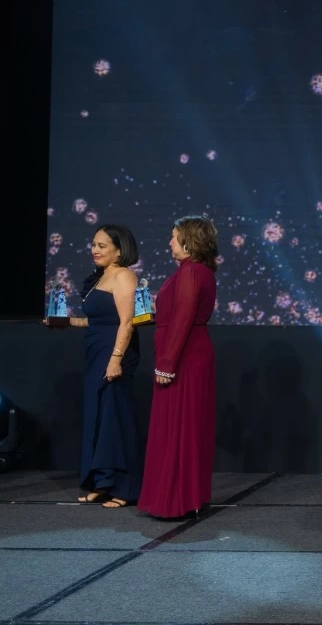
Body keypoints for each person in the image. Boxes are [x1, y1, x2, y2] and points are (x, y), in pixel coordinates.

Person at [140, 215, 219, 519]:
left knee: (179, 426)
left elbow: (183, 318)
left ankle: (176, 499)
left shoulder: (191, 272)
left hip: (184, 358)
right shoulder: (199, 272)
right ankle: (189, 496)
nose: (169, 242)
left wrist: (166, 364)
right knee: (186, 426)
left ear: (188, 241)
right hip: (190, 354)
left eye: (173, 237)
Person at [64, 224, 144, 508]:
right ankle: (101, 482)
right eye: (93, 244)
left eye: (102, 245)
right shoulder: (102, 277)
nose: (95, 250)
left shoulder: (123, 275)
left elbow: (127, 322)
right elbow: (98, 320)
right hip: (97, 352)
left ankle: (124, 487)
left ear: (119, 250)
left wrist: (116, 359)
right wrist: (66, 322)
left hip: (115, 354)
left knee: (114, 417)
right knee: (98, 415)